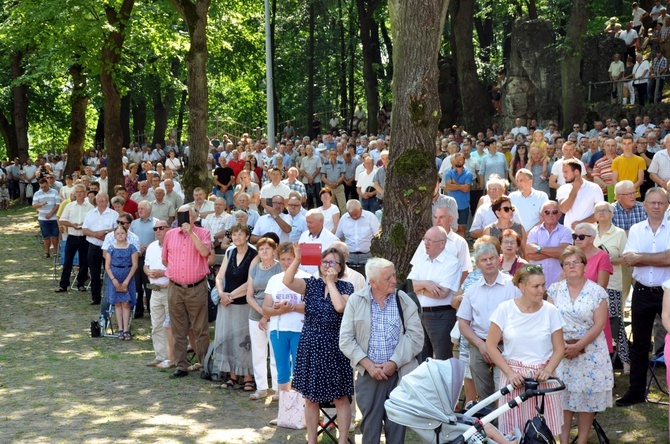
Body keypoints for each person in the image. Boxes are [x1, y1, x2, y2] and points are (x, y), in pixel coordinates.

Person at [340, 258, 424, 444]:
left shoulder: (403, 300)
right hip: (369, 375)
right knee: (370, 428)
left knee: (397, 427)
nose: (394, 280)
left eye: (394, 275)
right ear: (373, 282)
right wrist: (369, 366)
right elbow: (346, 340)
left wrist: (394, 363)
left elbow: (416, 336)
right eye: (388, 278)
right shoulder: (356, 301)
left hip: (399, 374)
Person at [283, 244, 354, 444]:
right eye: (324, 261)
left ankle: (343, 441)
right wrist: (297, 259)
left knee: (341, 397)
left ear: (340, 267)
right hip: (311, 344)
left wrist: (330, 283)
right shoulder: (310, 284)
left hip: (335, 346)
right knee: (310, 397)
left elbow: (340, 307)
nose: (327, 265)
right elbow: (287, 280)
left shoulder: (346, 287)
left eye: (332, 262)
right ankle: (312, 440)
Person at [487, 265, 565, 436]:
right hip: (514, 379)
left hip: (542, 380)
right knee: (513, 432)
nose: (541, 290)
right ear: (522, 287)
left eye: (543, 285)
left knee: (544, 432)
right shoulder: (505, 309)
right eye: (536, 286)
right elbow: (490, 345)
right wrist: (509, 372)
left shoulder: (551, 311)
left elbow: (560, 348)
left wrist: (548, 370)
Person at [548, 246, 613, 444]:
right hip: (561, 349)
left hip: (591, 350)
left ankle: (583, 440)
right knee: (563, 397)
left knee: (587, 397)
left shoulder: (597, 291)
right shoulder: (554, 289)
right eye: (567, 264)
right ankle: (564, 441)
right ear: (563, 268)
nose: (571, 266)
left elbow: (599, 324)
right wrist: (563, 347)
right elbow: (549, 321)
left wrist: (579, 346)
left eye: (576, 262)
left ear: (584, 265)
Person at [617, 188, 670, 406]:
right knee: (639, 344)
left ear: (667, 205)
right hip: (642, 292)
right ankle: (636, 391)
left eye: (661, 203)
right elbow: (629, 259)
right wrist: (661, 258)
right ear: (645, 205)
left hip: (668, 293)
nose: (656, 206)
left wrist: (643, 257)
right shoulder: (637, 229)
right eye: (652, 202)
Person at [457, 242, 521, 403]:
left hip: (506, 345)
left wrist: (498, 342)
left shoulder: (512, 285)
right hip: (480, 346)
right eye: (484, 260)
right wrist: (480, 344)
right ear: (478, 264)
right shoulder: (472, 290)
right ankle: (489, 427)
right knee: (485, 398)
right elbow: (463, 323)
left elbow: (523, 316)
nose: (489, 262)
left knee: (504, 392)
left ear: (498, 260)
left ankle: (506, 427)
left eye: (492, 258)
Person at [162, 205, 212, 378]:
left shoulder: (203, 233)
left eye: (187, 215)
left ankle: (205, 365)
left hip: (196, 287)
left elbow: (205, 252)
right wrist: (177, 274)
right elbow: (165, 259)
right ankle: (181, 365)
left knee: (200, 328)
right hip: (175, 287)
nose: (183, 218)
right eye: (180, 215)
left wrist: (191, 233)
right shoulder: (170, 234)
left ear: (194, 216)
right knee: (178, 329)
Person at [211, 223, 259, 389]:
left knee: (244, 340)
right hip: (226, 303)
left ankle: (247, 377)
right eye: (234, 234)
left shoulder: (254, 254)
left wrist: (230, 296)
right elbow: (219, 277)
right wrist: (222, 294)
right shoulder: (230, 251)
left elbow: (250, 283)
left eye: (241, 234)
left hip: (243, 304)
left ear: (247, 236)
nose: (237, 237)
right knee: (229, 338)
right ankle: (232, 376)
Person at [262, 243, 308, 409]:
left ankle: (301, 408)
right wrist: (280, 309)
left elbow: (312, 308)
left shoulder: (307, 278)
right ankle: (285, 410)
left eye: (290, 259)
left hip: (299, 330)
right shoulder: (274, 279)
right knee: (282, 369)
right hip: (278, 330)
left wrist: (293, 307)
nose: (287, 263)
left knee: (299, 369)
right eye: (283, 259)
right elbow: (266, 308)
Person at [407, 226, 462, 361]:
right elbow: (408, 286)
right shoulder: (421, 260)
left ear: (442, 243)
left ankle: (445, 383)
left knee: (442, 359)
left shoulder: (452, 262)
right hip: (420, 314)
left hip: (441, 316)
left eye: (430, 240)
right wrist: (427, 284)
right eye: (425, 239)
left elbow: (442, 293)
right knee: (421, 360)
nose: (426, 243)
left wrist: (418, 289)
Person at [593, 201, 631, 374]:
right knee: (593, 322)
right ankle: (598, 361)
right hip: (591, 284)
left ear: (612, 214)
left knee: (615, 321)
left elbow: (626, 258)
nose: (601, 213)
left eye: (605, 210)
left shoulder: (619, 233)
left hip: (612, 283)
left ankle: (625, 360)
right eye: (598, 211)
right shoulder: (588, 232)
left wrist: (605, 259)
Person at [245, 237, 282, 400]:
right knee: (258, 351)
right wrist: (261, 312)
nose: (264, 251)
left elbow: (281, 292)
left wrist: (267, 315)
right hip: (255, 315)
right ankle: (261, 387)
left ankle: (277, 388)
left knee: (276, 352)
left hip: (275, 314)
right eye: (261, 249)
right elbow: (249, 295)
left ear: (274, 251)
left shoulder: (280, 268)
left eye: (268, 248)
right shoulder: (254, 269)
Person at [144, 220, 173, 368]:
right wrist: (148, 271)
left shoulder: (174, 246)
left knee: (170, 325)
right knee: (156, 324)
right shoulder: (151, 247)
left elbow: (178, 268)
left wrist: (163, 273)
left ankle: (171, 357)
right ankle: (159, 355)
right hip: (155, 290)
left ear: (169, 229)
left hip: (170, 289)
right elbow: (146, 265)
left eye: (161, 228)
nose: (158, 231)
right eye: (155, 228)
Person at [55, 184, 94, 293]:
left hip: (84, 237)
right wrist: (72, 225)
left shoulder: (90, 207)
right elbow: (62, 220)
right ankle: (63, 284)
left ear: (85, 193)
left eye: (81, 191)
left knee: (84, 261)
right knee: (68, 261)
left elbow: (93, 222)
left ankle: (80, 283)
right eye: (77, 192)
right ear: (74, 194)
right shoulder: (70, 206)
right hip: (72, 236)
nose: (79, 194)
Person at [104, 224, 139, 341]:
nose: (120, 235)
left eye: (122, 233)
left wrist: (127, 280)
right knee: (118, 303)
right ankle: (120, 328)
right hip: (114, 277)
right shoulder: (111, 248)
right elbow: (107, 266)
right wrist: (113, 280)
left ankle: (126, 328)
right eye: (118, 233)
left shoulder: (131, 248)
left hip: (127, 276)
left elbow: (135, 265)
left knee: (126, 303)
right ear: (114, 236)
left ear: (126, 234)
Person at [82, 193, 119, 306]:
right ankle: (95, 297)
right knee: (94, 273)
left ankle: (110, 297)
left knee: (110, 273)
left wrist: (106, 233)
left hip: (108, 248)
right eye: (99, 198)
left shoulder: (114, 214)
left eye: (104, 198)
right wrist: (95, 234)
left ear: (108, 201)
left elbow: (117, 229)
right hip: (93, 246)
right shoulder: (90, 213)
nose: (102, 200)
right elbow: (84, 229)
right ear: (96, 201)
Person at [557, 159, 604, 231]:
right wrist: (575, 189)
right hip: (569, 234)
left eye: (566, 172)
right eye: (563, 172)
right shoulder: (563, 189)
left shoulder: (594, 188)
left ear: (576, 172)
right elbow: (563, 209)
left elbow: (600, 213)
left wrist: (581, 223)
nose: (564, 176)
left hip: (590, 234)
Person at [129, 201, 157, 318]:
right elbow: (129, 239)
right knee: (136, 284)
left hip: (150, 259)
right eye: (139, 208)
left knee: (150, 284)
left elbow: (159, 240)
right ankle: (138, 309)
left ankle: (152, 310)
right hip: (136, 257)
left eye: (142, 209)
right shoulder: (134, 224)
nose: (139, 211)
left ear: (149, 210)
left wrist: (147, 247)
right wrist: (138, 248)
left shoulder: (156, 223)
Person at [335, 199, 380, 271]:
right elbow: (337, 237)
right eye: (351, 215)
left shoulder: (370, 217)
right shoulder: (344, 218)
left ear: (361, 209)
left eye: (356, 214)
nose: (354, 217)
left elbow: (378, 236)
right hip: (349, 256)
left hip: (367, 255)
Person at [32, 178, 61, 258]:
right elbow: (34, 205)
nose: (43, 189)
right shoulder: (37, 194)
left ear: (48, 184)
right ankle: (47, 252)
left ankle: (56, 252)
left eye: (45, 187)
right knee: (46, 236)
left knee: (55, 236)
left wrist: (51, 214)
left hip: (54, 218)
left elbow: (58, 204)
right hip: (42, 218)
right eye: (42, 187)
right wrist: (41, 204)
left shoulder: (55, 192)